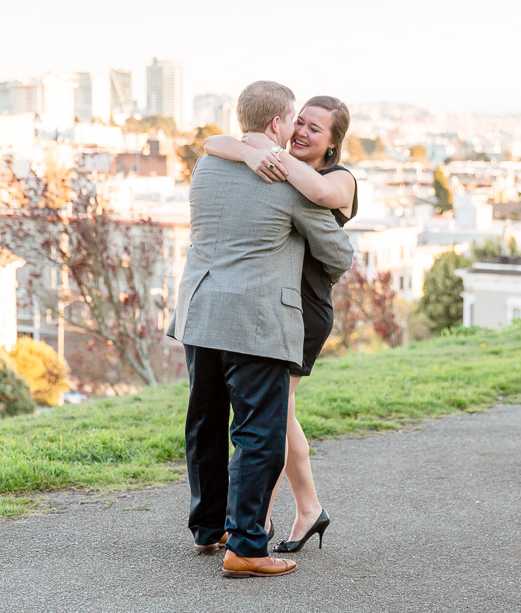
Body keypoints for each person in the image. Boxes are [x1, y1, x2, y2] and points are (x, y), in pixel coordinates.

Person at [167, 81, 354, 578]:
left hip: (199, 312)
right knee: (259, 433)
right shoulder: (286, 181)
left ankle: (209, 530)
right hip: (257, 320)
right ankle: (247, 544)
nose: (297, 129)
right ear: (277, 124)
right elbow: (339, 254)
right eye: (294, 120)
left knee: (204, 425)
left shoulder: (207, 166)